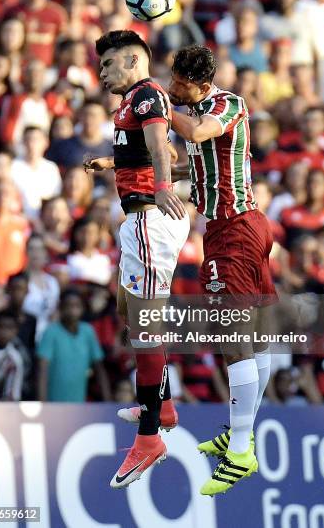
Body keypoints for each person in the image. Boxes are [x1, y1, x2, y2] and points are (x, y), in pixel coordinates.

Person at [167, 45, 278, 496]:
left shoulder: (226, 105)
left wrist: (152, 98)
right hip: (238, 228)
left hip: (233, 232)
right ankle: (241, 434)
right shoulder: (197, 110)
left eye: (174, 81)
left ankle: (241, 452)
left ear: (195, 84)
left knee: (235, 341)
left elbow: (196, 132)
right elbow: (192, 164)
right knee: (258, 337)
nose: (171, 87)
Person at [84, 29, 189, 489]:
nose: (102, 73)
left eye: (108, 65)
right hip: (140, 223)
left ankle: (150, 437)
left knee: (145, 325)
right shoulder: (130, 104)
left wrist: (163, 187)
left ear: (131, 61)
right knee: (131, 311)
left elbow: (160, 148)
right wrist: (110, 165)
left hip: (149, 219)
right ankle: (161, 403)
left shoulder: (147, 95)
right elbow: (150, 151)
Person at [37, 288, 110, 402]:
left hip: (79, 405)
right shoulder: (51, 332)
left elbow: (99, 369)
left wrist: (108, 402)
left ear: (82, 308)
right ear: (60, 307)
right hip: (53, 405)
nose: (72, 309)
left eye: (77, 305)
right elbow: (42, 371)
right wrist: (42, 405)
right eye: (68, 305)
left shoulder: (88, 331)